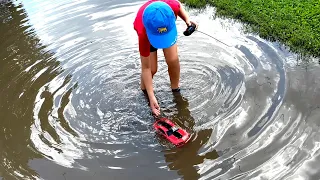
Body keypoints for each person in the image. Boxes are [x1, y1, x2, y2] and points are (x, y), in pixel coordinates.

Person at [133, 0, 198, 116]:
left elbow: (178, 6)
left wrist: (187, 20)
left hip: (167, 30)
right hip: (150, 35)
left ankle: (176, 90)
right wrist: (152, 97)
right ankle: (145, 92)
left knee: (173, 60)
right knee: (152, 69)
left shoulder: (171, 6)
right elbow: (146, 68)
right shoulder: (142, 32)